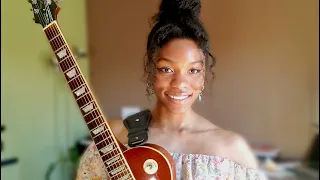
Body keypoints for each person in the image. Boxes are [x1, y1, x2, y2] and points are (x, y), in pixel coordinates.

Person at [76, 0, 267, 179]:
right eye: (166, 69)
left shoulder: (231, 150)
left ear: (203, 76)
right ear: (151, 71)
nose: (180, 83)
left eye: (193, 70)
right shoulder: (116, 137)